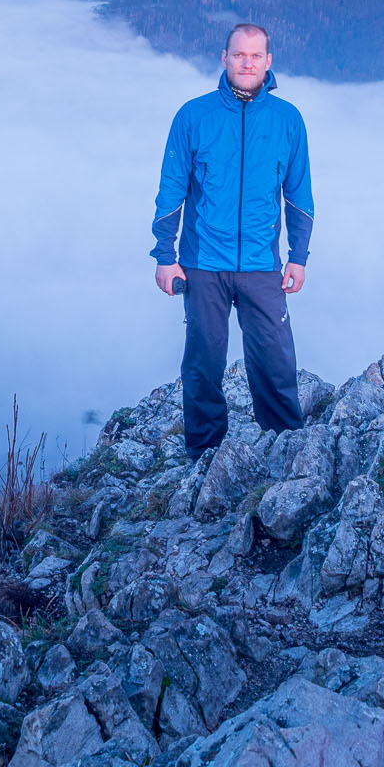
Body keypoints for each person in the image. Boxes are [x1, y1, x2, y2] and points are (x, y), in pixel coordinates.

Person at [150, 23, 314, 459]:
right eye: (239, 55)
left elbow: (299, 196)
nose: (247, 63)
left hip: (262, 265)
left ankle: (285, 449)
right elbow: (171, 191)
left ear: (268, 62)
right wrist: (166, 256)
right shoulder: (193, 116)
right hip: (204, 263)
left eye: (255, 56)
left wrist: (298, 257)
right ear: (224, 58)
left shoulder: (287, 120)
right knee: (203, 364)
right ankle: (203, 454)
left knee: (276, 363)